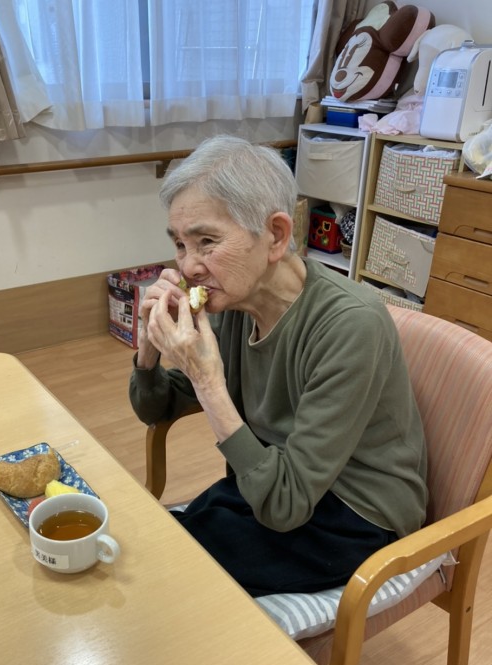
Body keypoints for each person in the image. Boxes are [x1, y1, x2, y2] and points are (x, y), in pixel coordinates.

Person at [129, 134, 427, 598]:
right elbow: (156, 407)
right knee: (157, 544)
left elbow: (286, 506)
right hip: (274, 478)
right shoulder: (235, 301)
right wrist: (149, 347)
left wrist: (208, 381)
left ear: (275, 235)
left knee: (176, 577)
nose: (189, 267)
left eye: (206, 241)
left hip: (356, 511)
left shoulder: (350, 325)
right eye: (181, 245)